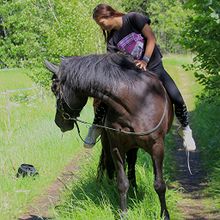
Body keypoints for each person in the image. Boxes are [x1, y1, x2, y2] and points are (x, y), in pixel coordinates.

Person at [84, 3, 196, 151]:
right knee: (105, 101)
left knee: (176, 96)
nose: (101, 26)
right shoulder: (112, 40)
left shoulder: (134, 18)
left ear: (109, 15)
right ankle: (96, 127)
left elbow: (151, 38)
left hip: (154, 67)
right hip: (133, 77)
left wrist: (145, 60)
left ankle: (186, 129)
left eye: (101, 22)